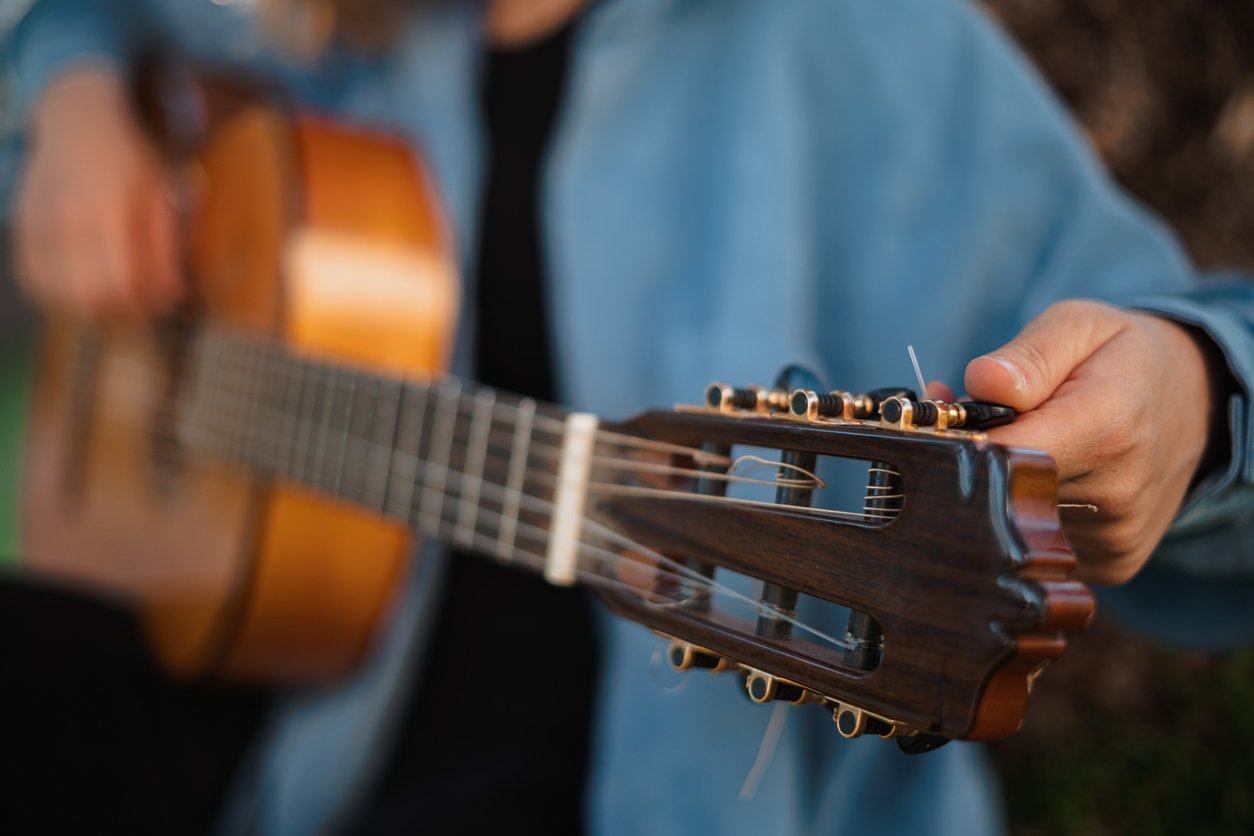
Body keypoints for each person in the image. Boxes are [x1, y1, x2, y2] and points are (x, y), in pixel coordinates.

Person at [6, 0, 1254, 833]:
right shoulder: (334, 28)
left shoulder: (865, 41)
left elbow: (1177, 355)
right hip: (282, 741)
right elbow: (81, 20)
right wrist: (71, 105)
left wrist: (1196, 390)